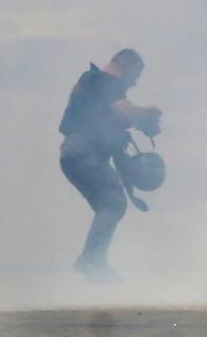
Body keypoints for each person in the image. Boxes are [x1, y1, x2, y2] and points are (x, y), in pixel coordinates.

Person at [59, 48, 161, 281]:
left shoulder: (96, 85)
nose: (134, 83)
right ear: (123, 67)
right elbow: (123, 110)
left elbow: (114, 119)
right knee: (113, 202)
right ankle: (91, 260)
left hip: (77, 155)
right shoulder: (103, 81)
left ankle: (94, 260)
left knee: (111, 204)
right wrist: (147, 113)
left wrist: (139, 122)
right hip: (83, 152)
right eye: (135, 76)